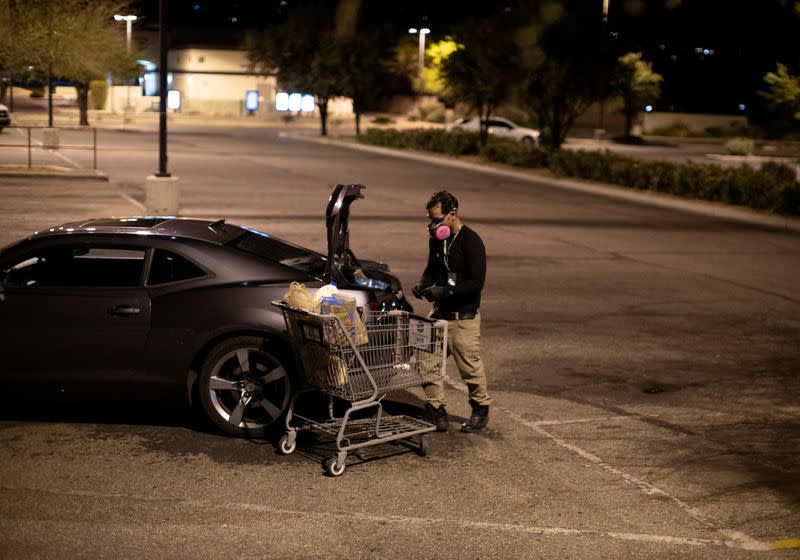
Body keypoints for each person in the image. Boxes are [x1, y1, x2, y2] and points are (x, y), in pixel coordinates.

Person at [412, 190, 492, 433]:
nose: (433, 225)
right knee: (426, 361)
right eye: (430, 219)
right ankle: (436, 410)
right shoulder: (436, 239)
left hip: (463, 317)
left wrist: (443, 292)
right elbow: (431, 268)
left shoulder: (472, 241)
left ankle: (480, 408)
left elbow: (475, 284)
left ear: (452, 215)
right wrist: (423, 284)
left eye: (437, 219)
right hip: (439, 315)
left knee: (469, 367)